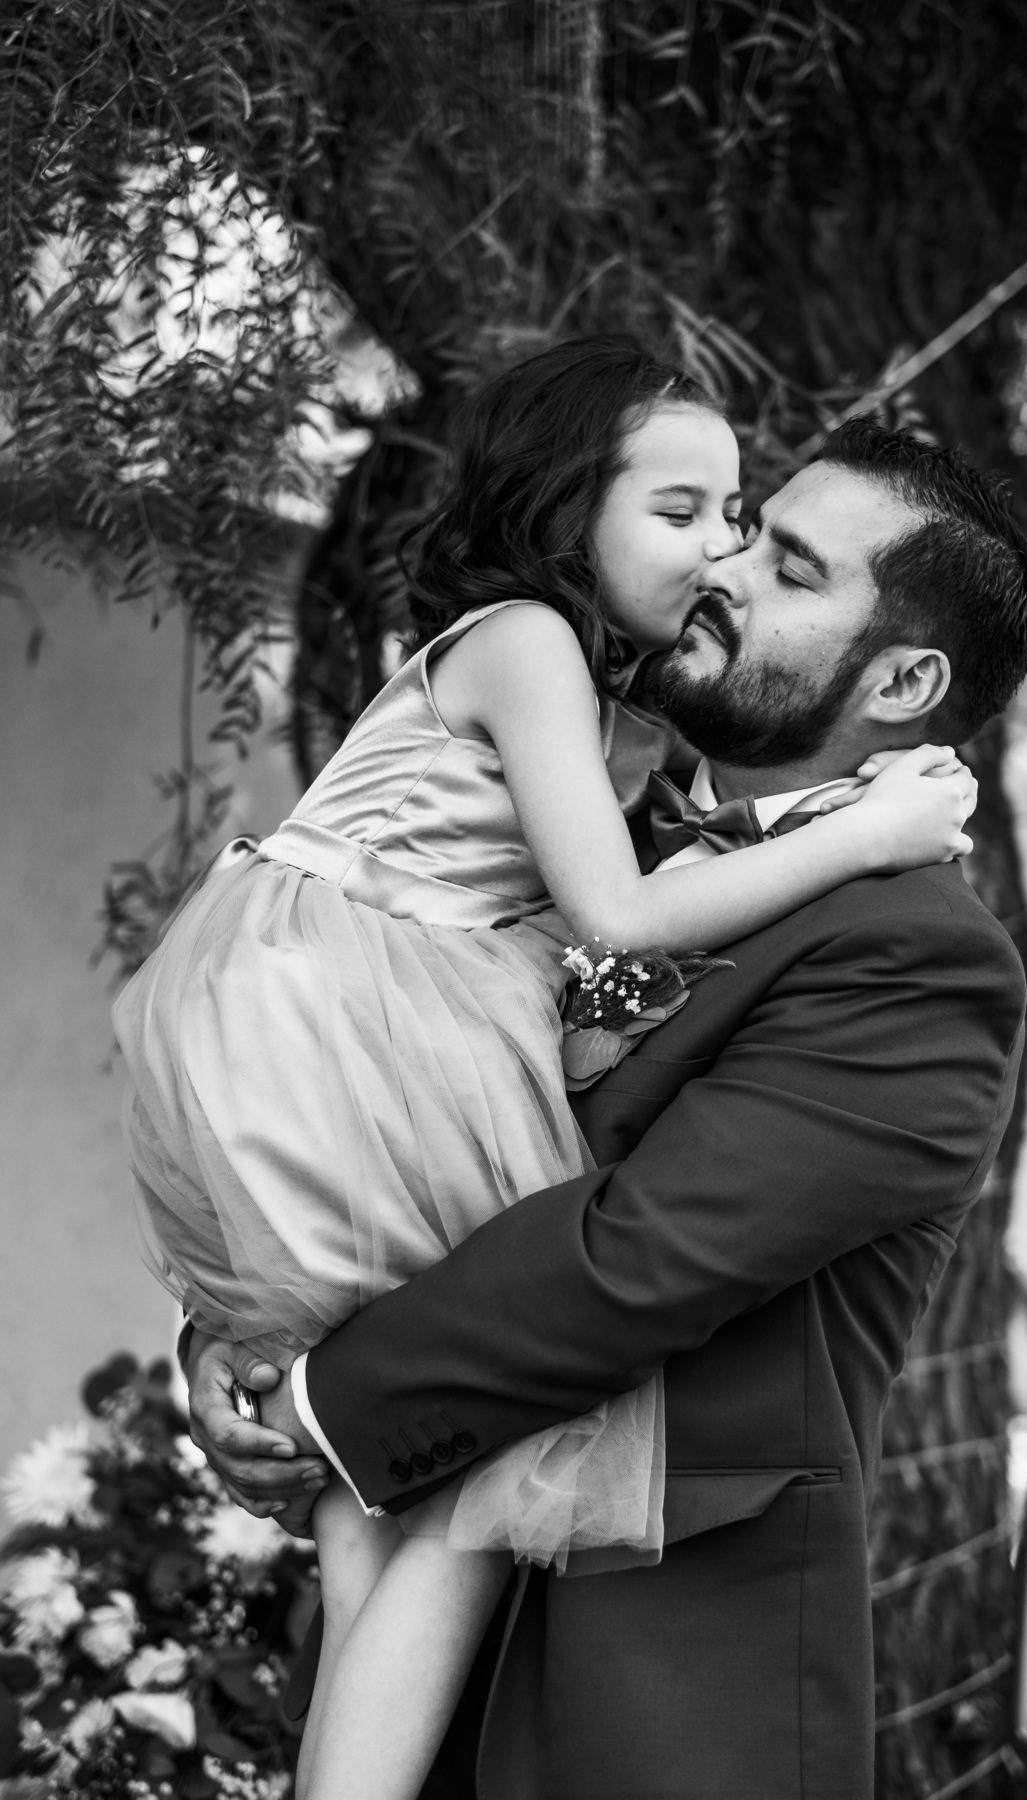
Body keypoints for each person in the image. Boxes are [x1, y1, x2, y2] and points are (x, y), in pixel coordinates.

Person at [114, 339, 973, 1800]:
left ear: (904, 678)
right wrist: (237, 1349)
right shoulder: (589, 777)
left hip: (658, 1696)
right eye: (717, 523)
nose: (731, 565)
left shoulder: (911, 948)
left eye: (785, 559)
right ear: (574, 508)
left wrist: (318, 1395)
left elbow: (634, 1259)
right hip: (464, 1600)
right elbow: (396, 1124)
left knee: (415, 1528)